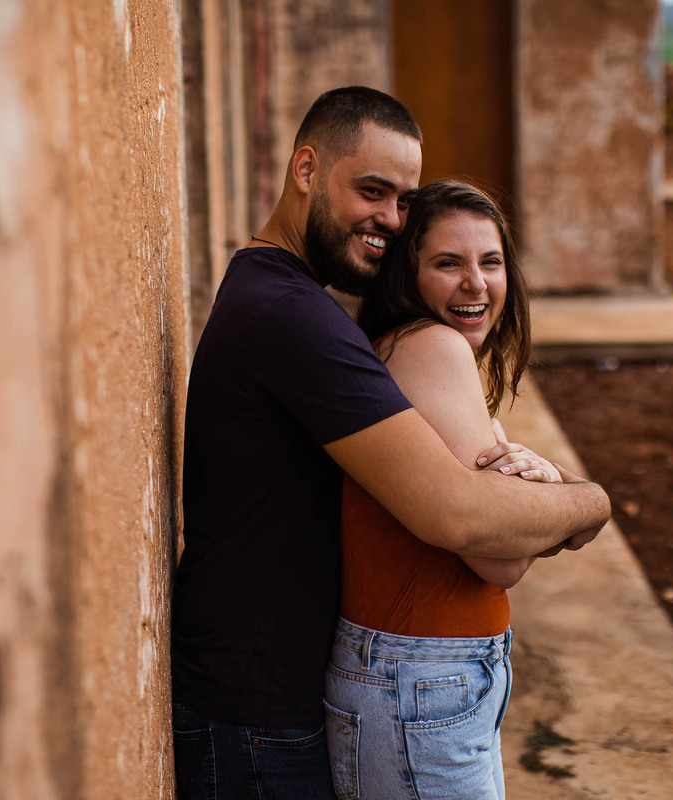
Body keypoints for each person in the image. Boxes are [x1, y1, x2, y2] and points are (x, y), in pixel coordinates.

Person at [171, 87, 610, 800]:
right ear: (305, 170)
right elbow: (459, 517)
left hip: (261, 694)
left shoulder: (279, 294)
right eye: (372, 190)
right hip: (249, 712)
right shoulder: (293, 317)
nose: (390, 220)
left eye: (403, 200)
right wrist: (588, 503)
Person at [325, 180, 556, 799]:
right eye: (447, 263)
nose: (476, 284)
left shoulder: (403, 350)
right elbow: (497, 557)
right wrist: (550, 496)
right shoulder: (431, 347)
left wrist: (516, 501)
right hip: (420, 678)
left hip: (424, 680)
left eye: (491, 261)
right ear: (407, 274)